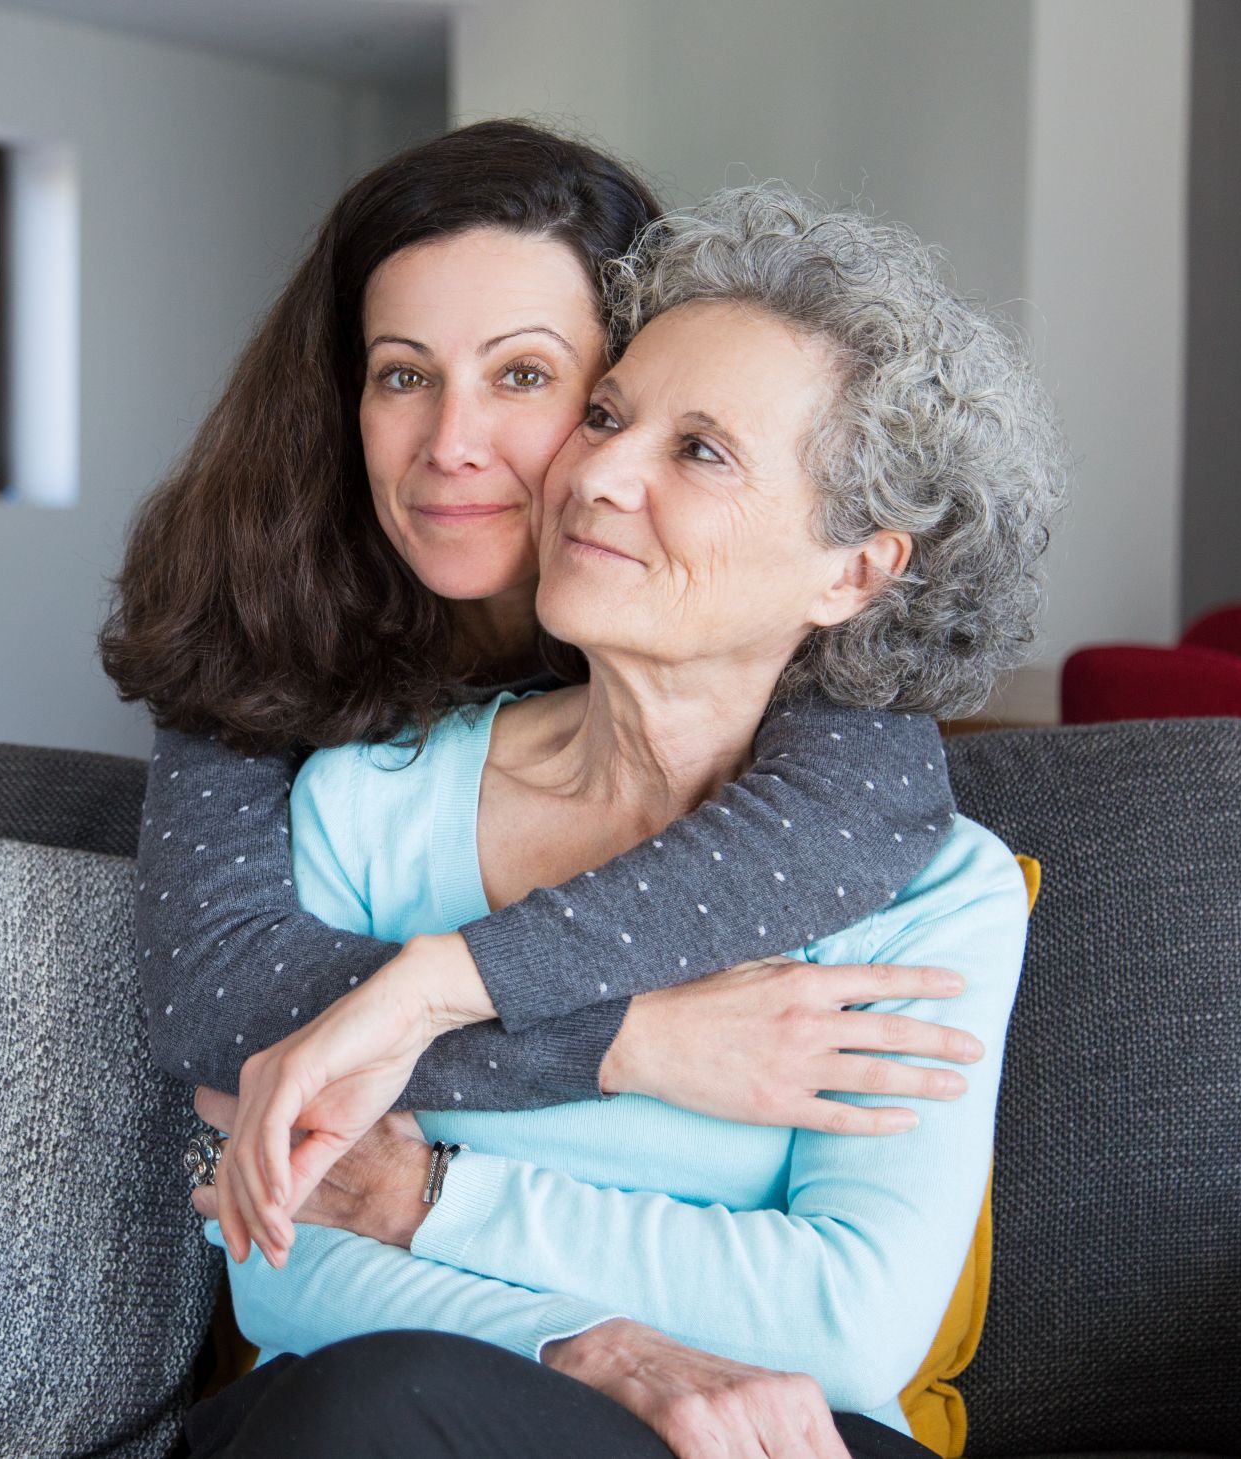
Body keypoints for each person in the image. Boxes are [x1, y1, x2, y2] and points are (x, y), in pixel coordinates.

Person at [184, 184, 1066, 1458]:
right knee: (357, 1406)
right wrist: (589, 1348)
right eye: (605, 414)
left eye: (697, 451)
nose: (593, 473)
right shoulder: (365, 807)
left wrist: (427, 1196)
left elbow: (850, 1321)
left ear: (853, 569)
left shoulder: (931, 894)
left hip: (766, 1441)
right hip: (399, 1420)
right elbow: (278, 1261)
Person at [98, 120, 984, 1250]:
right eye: (401, 375)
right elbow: (210, 996)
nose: (448, 443)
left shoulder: (729, 625)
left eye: (523, 374)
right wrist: (624, 1043)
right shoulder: (257, 625)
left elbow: (861, 809)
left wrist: (437, 995)